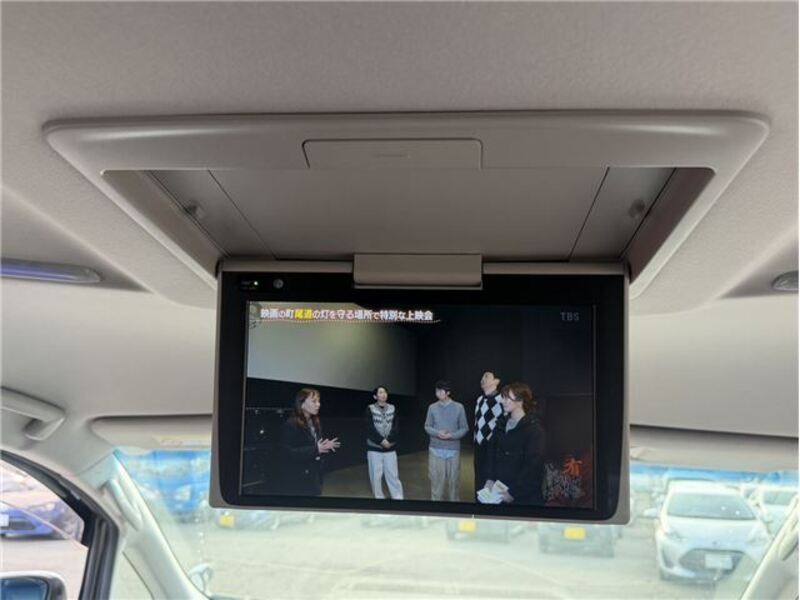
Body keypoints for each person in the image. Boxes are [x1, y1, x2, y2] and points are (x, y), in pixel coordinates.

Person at [481, 382, 546, 505]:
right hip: (499, 491)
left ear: (520, 401)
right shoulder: (501, 424)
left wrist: (513, 493)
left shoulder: (534, 430)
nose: (502, 401)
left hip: (522, 497)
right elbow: (491, 452)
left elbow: (533, 467)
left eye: (507, 398)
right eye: (503, 397)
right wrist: (489, 478)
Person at [279, 388, 340, 496]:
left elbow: (316, 445)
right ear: (302, 404)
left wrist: (324, 447)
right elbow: (287, 453)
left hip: (315, 473)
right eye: (314, 401)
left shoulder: (315, 422)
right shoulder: (290, 424)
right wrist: (316, 449)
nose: (318, 404)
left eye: (319, 401)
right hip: (299, 478)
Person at [424, 380, 469, 501]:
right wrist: (437, 433)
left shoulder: (459, 407)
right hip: (435, 449)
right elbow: (427, 426)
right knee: (436, 483)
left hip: (453, 450)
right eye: (436, 391)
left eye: (441, 391)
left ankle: (454, 508)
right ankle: (436, 507)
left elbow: (464, 428)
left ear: (448, 392)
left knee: (454, 483)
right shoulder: (432, 407)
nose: (438, 393)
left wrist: (452, 436)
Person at [365, 385, 404, 500]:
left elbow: (396, 426)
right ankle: (379, 498)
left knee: (393, 474)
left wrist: (389, 440)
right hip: (374, 448)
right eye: (380, 392)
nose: (383, 394)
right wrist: (381, 441)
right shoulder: (370, 408)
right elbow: (369, 428)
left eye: (385, 392)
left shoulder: (393, 408)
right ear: (375, 396)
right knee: (376, 476)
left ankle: (398, 497)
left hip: (390, 448)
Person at [473, 371, 504, 495]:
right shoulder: (479, 399)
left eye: (487, 378)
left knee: (490, 476)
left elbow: (502, 423)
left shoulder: (501, 400)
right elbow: (477, 421)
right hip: (478, 444)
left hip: (492, 446)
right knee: (478, 476)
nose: (483, 381)